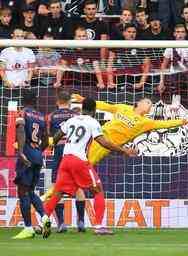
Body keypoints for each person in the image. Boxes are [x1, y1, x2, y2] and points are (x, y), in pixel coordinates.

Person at [43, 98, 137, 236]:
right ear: (93, 110)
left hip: (65, 159)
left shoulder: (72, 120)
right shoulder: (93, 122)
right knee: (97, 190)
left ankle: (41, 222)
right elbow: (103, 142)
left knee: (58, 193)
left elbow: (56, 138)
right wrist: (124, 151)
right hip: (79, 160)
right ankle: (99, 226)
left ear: (82, 108)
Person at [12, 90, 51, 239]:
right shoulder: (41, 117)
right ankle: (45, 218)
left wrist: (22, 151)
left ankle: (28, 228)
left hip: (26, 155)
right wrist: (37, 152)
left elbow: (21, 129)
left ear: (23, 100)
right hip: (37, 156)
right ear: (35, 101)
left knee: (22, 193)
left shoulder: (22, 113)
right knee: (30, 191)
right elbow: (46, 140)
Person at [47, 91, 86, 233]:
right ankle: (81, 221)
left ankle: (61, 224)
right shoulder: (77, 116)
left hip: (58, 152)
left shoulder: (51, 116)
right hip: (74, 152)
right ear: (70, 102)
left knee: (57, 186)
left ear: (57, 102)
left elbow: (50, 138)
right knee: (78, 185)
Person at [158, 23, 188, 95]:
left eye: (182, 32)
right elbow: (164, 65)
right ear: (174, 34)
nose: (180, 34)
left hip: (186, 78)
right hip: (172, 78)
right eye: (178, 32)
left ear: (185, 34)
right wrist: (161, 82)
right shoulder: (170, 46)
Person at [107, 23, 151, 89]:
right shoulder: (116, 45)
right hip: (120, 78)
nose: (131, 34)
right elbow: (109, 65)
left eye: (134, 32)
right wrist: (110, 82)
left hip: (136, 78)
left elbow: (147, 66)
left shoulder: (141, 45)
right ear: (124, 33)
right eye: (129, 32)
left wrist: (141, 83)